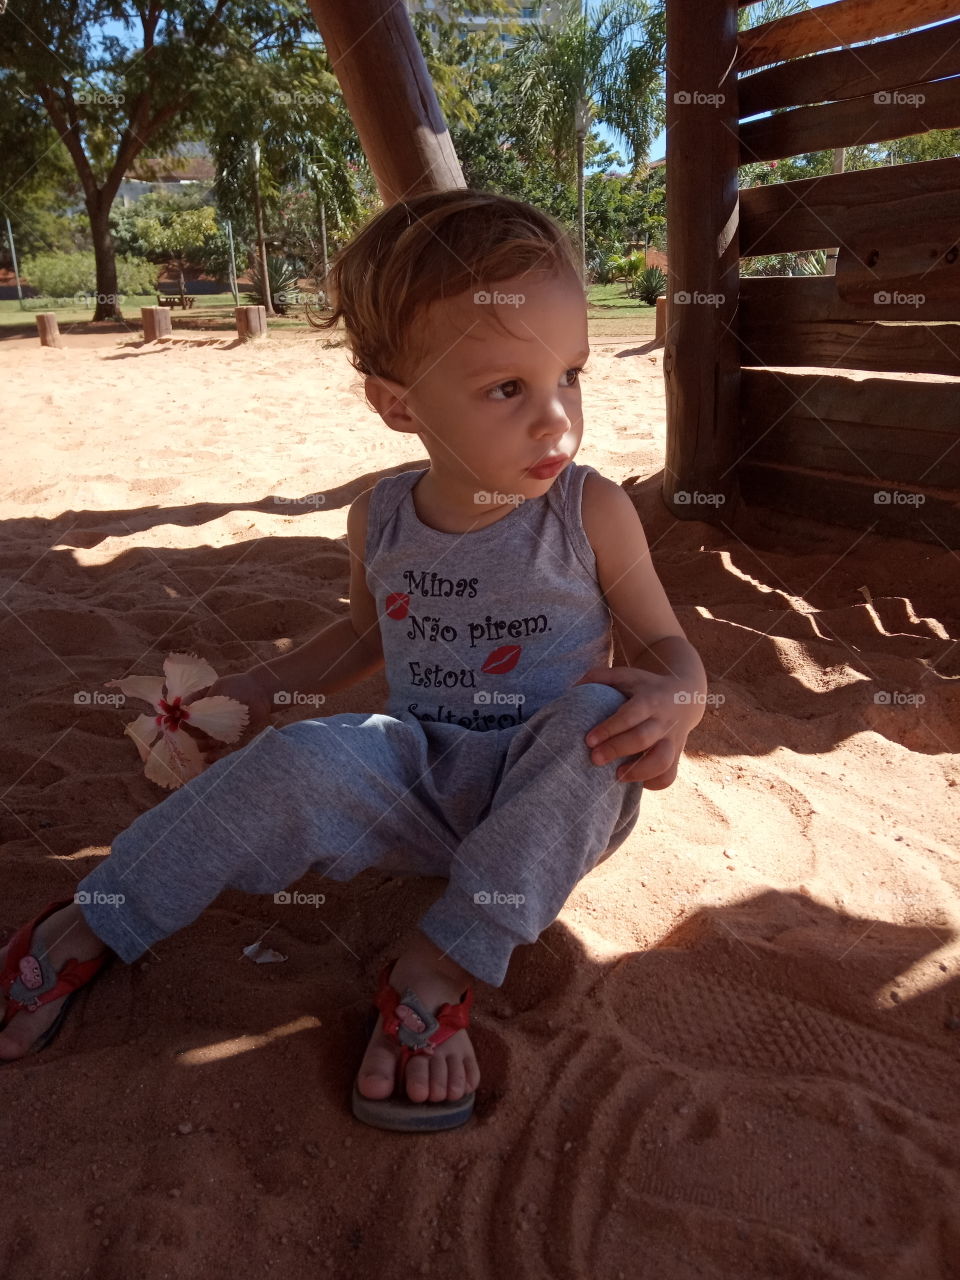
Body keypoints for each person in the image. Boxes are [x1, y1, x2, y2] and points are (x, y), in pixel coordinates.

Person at [0, 190, 708, 1132]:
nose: (555, 422)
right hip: (412, 777)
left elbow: (668, 646)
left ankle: (437, 965)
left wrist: (680, 699)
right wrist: (258, 687)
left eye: (570, 376)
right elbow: (367, 636)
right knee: (303, 755)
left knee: (589, 724)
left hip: (549, 792)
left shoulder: (589, 512)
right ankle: (94, 918)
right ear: (397, 403)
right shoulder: (381, 517)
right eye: (508, 389)